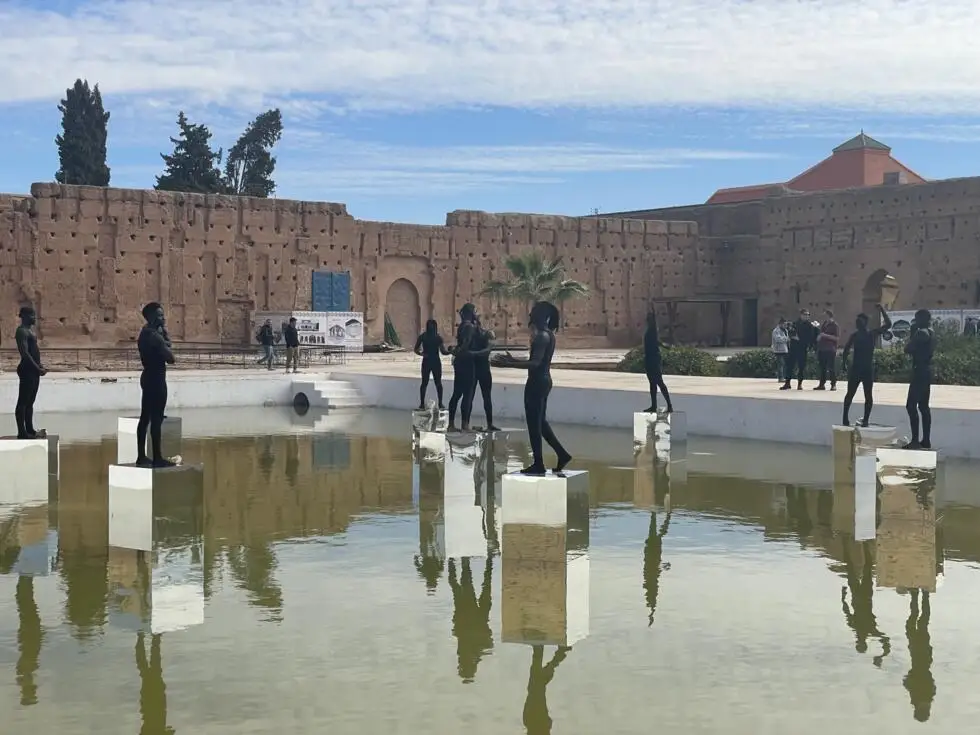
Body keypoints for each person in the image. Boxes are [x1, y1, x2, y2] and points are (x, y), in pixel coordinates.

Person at [496, 301, 572, 475]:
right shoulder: (548, 335)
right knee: (541, 423)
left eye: (532, 313)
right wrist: (513, 360)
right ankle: (562, 454)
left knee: (534, 424)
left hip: (537, 383)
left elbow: (535, 363)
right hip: (543, 381)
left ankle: (538, 464)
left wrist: (509, 364)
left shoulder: (542, 337)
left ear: (539, 316)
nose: (529, 316)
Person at [136, 302, 176, 468]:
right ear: (151, 317)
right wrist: (165, 337)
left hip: (147, 376)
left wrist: (164, 340)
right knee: (156, 419)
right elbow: (171, 358)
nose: (163, 318)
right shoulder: (154, 336)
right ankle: (158, 457)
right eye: (160, 315)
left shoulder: (145, 333)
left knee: (145, 417)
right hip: (156, 378)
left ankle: (141, 456)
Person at [841, 305, 892, 427]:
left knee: (867, 395)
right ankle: (845, 418)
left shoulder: (871, 334)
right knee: (850, 394)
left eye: (860, 321)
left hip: (865, 369)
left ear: (865, 323)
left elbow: (888, 324)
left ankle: (865, 420)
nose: (858, 323)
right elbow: (846, 350)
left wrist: (882, 310)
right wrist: (844, 363)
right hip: (857, 368)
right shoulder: (856, 335)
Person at [904, 309, 935, 449]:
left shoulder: (921, 332)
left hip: (919, 371)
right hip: (926, 371)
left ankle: (915, 440)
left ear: (922, 319)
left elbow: (908, 349)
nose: (915, 322)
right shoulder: (931, 331)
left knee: (911, 406)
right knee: (923, 406)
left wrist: (912, 333)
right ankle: (926, 440)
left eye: (917, 319)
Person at [14, 306, 46, 439]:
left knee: (30, 402)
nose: (34, 318)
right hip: (27, 370)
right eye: (32, 315)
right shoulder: (21, 331)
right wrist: (37, 368)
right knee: (23, 402)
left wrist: (39, 366)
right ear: (25, 316)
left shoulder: (30, 331)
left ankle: (30, 429)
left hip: (33, 371)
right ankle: (22, 432)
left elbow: (33, 352)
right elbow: (25, 353)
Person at [447, 305, 478, 432]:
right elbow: (466, 343)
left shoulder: (462, 326)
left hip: (459, 363)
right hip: (467, 362)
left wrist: (455, 352)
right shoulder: (470, 326)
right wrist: (459, 352)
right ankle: (465, 425)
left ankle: (451, 424)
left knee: (456, 394)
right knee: (468, 394)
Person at [468, 313, 499, 431]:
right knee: (470, 397)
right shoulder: (470, 336)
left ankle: (489, 423)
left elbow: (487, 350)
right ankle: (466, 424)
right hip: (475, 369)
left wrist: (472, 353)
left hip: (481, 368)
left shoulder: (487, 334)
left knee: (485, 397)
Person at [414, 319, 450, 409]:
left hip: (428, 361)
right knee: (436, 383)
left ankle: (423, 403)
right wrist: (451, 351)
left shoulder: (424, 337)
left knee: (426, 383)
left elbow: (416, 349)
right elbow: (443, 351)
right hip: (434, 361)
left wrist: (422, 354)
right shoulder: (437, 338)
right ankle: (439, 403)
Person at [642, 310, 674, 414]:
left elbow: (656, 342)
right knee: (652, 383)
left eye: (649, 318)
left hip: (654, 359)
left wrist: (664, 346)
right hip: (649, 359)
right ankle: (654, 405)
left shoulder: (653, 331)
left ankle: (669, 405)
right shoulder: (650, 330)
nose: (647, 320)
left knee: (659, 382)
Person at [782, 308, 817, 390]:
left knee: (801, 366)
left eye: (808, 315)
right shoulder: (795, 323)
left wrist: (801, 339)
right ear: (801, 315)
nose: (806, 316)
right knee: (789, 365)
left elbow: (811, 337)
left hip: (802, 347)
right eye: (805, 315)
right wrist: (792, 335)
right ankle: (787, 383)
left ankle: (799, 384)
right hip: (793, 347)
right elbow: (790, 332)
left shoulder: (809, 326)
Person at [815, 309, 840, 390]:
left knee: (831, 368)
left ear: (829, 316)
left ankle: (833, 384)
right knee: (822, 368)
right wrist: (819, 337)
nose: (824, 318)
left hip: (830, 349)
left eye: (825, 316)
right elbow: (821, 334)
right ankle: (822, 384)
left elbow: (836, 338)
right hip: (822, 349)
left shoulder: (834, 325)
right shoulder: (824, 324)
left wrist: (825, 335)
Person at [771, 318, 790, 384]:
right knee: (781, 364)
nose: (786, 326)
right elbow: (778, 339)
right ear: (780, 324)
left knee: (785, 364)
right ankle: (780, 377)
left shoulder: (785, 330)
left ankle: (784, 377)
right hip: (778, 350)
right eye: (784, 324)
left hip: (785, 349)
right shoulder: (776, 331)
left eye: (786, 324)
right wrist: (786, 339)